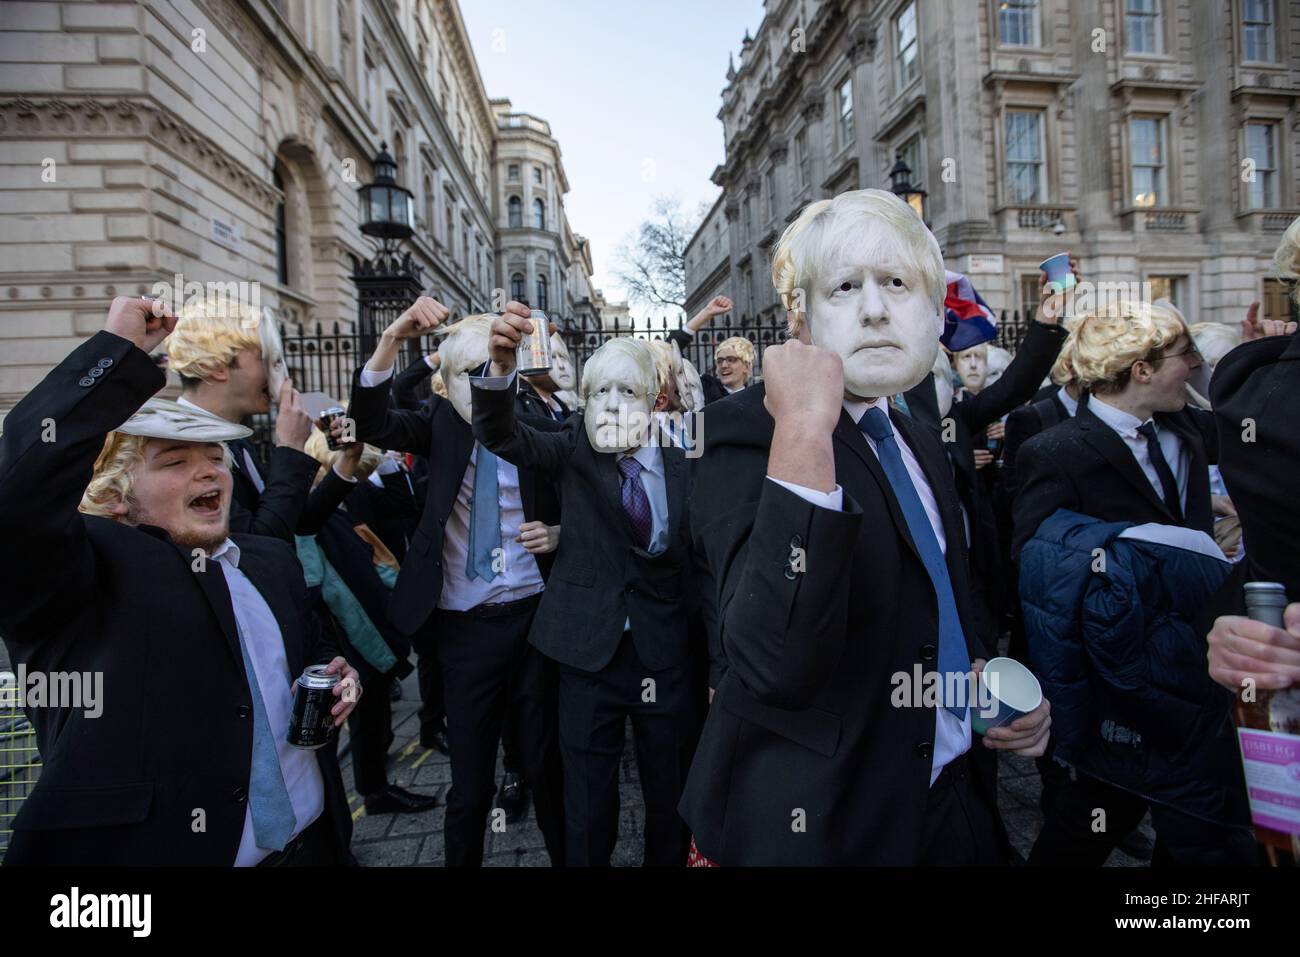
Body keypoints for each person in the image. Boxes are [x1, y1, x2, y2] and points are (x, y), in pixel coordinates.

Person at [680, 189, 1050, 866]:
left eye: (898, 283)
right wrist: (801, 429)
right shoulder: (740, 433)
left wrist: (983, 688)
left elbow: (928, 598)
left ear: (933, 312)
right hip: (829, 822)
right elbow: (773, 659)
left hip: (953, 797)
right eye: (847, 286)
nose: (876, 309)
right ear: (801, 315)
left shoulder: (915, 435)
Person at [0, 297, 361, 866]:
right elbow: (19, 498)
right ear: (118, 498)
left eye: (216, 456)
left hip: (316, 846)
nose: (209, 470)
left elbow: (311, 649)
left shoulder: (268, 560)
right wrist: (115, 352)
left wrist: (338, 676)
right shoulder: (85, 576)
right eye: (174, 462)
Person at [1013, 299, 1261, 866]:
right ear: (1141, 369)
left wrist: (1261, 352)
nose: (1196, 364)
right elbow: (1034, 566)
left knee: (1198, 816)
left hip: (1195, 661)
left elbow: (1265, 434)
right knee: (1098, 812)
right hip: (1118, 674)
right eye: (1184, 355)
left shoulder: (1191, 427)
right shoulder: (1054, 452)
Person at [473, 322, 700, 867]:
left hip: (666, 655)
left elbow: (702, 560)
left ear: (658, 400)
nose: (612, 405)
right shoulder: (575, 442)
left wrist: (715, 663)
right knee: (588, 799)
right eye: (600, 392)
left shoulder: (687, 456)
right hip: (586, 654)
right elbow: (502, 435)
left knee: (671, 797)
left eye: (627, 392)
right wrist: (502, 368)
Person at [347, 301, 565, 867]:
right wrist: (393, 336)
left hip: (536, 618)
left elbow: (585, 493)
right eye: (465, 375)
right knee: (470, 783)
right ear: (443, 385)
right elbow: (368, 423)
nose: (479, 384)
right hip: (466, 630)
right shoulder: (434, 424)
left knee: (546, 767)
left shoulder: (537, 422)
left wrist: (562, 533)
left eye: (488, 371)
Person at [298, 429, 437, 816]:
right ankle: (374, 792)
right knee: (366, 718)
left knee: (376, 717)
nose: (356, 481)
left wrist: (390, 467)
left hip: (372, 623)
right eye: (352, 472)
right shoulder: (313, 512)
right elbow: (322, 588)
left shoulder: (346, 500)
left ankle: (376, 783)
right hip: (351, 636)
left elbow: (400, 507)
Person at [165, 295, 357, 541]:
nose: (279, 375)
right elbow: (260, 541)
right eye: (263, 358)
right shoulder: (182, 450)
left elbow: (294, 521)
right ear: (216, 366)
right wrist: (290, 448)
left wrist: (349, 459)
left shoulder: (235, 438)